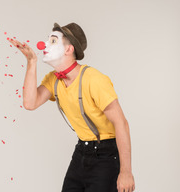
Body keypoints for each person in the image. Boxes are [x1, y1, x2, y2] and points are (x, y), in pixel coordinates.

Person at [7, 22, 135, 192]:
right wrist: (31, 61)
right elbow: (30, 103)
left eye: (53, 41)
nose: (44, 45)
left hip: (106, 154)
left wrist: (126, 172)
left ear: (69, 50)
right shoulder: (54, 79)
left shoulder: (94, 79)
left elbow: (121, 123)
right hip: (81, 151)